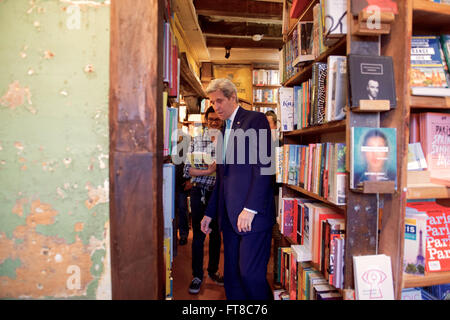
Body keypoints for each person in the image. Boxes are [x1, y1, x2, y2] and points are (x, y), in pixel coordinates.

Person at [201, 78, 276, 300]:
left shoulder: (256, 120)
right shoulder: (223, 130)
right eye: (213, 102)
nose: (216, 107)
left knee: (251, 276)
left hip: (252, 216)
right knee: (232, 278)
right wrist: (209, 212)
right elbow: (223, 178)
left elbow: (264, 167)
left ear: (233, 97)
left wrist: (251, 209)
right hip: (229, 218)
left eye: (220, 101)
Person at [183, 106, 224, 294]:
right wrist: (208, 171)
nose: (214, 122)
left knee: (216, 235)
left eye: (217, 119)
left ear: (222, 120)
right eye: (211, 119)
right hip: (199, 192)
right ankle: (197, 275)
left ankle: (213, 271)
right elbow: (186, 170)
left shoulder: (227, 142)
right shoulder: (196, 141)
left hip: (218, 194)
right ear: (206, 120)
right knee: (199, 236)